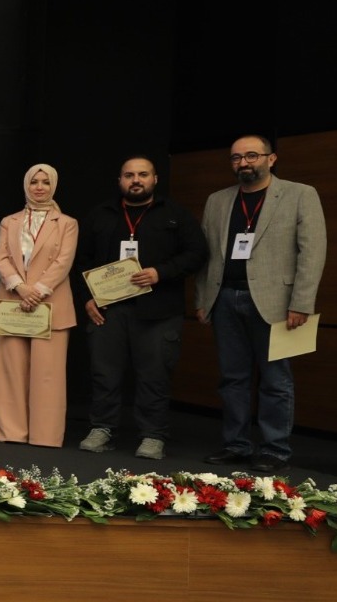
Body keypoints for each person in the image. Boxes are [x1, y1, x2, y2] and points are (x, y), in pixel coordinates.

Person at [195, 135, 325, 473]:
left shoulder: (300, 194)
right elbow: (206, 256)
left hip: (278, 304)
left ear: (271, 158)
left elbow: (312, 253)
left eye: (252, 155)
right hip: (225, 299)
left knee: (275, 381)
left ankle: (274, 450)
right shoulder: (217, 200)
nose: (244, 163)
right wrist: (203, 299)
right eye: (236, 157)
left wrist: (301, 302)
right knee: (232, 379)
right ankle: (235, 445)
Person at [71, 156, 206, 460]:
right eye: (129, 175)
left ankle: (152, 435)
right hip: (108, 309)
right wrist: (87, 298)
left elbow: (197, 253)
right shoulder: (101, 215)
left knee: (154, 375)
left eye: (143, 174)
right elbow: (81, 261)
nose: (136, 180)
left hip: (159, 310)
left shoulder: (175, 214)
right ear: (120, 181)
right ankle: (102, 428)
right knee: (104, 373)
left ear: (154, 179)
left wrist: (161, 272)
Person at [0, 164, 78, 447]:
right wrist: (20, 287)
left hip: (50, 303)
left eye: (45, 182)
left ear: (54, 186)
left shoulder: (67, 223)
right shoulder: (9, 221)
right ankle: (11, 432)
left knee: (48, 375)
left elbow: (63, 262)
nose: (39, 187)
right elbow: (1, 258)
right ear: (26, 185)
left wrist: (37, 291)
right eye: (34, 182)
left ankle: (46, 435)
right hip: (13, 301)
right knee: (10, 372)